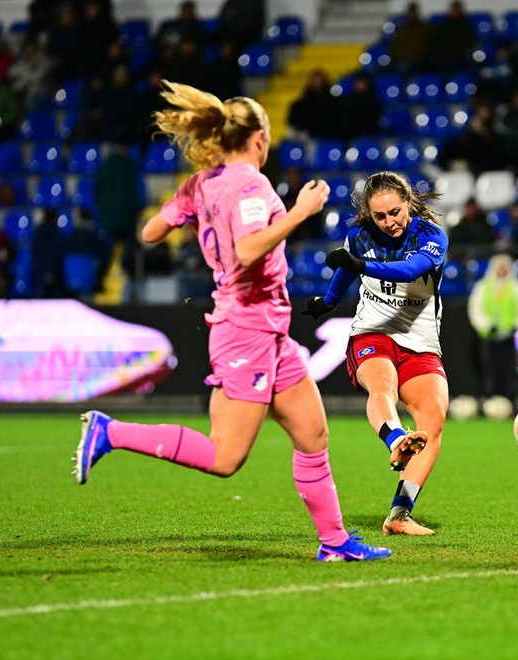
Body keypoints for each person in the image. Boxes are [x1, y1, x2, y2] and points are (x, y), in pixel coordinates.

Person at [72, 81, 391, 563]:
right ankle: (109, 432)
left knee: (313, 434)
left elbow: (150, 231)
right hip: (245, 330)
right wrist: (300, 211)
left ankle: (335, 542)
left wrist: (190, 207)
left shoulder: (202, 184)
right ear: (259, 138)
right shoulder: (251, 185)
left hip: (269, 331)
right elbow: (246, 250)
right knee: (225, 458)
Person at [301, 171, 450, 537]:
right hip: (373, 332)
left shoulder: (432, 237)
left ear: (409, 203)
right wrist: (328, 301)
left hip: (420, 340)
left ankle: (400, 514)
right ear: (369, 213)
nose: (390, 222)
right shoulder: (360, 236)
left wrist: (360, 265)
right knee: (382, 386)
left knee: (434, 417)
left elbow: (410, 269)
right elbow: (346, 271)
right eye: (380, 216)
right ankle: (396, 438)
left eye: (396, 212)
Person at [467, 253, 518, 406]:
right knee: (488, 368)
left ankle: (510, 398)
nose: (502, 271)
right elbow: (475, 309)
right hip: (487, 336)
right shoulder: (482, 286)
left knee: (508, 368)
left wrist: (514, 327)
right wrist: (487, 326)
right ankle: (489, 398)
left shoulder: (517, 287)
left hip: (508, 336)